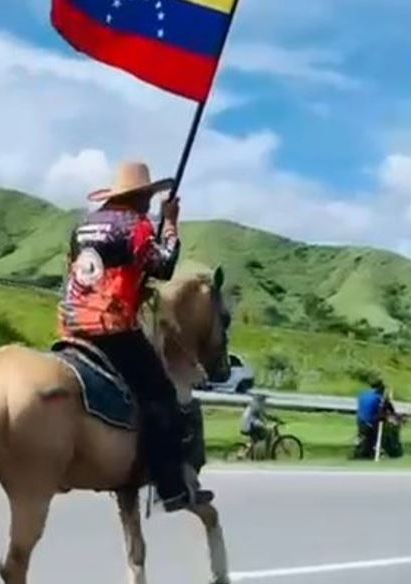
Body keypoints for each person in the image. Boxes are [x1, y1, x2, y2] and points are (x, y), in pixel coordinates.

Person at [58, 161, 213, 512]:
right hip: (110, 329)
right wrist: (170, 222)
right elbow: (165, 265)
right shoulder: (137, 226)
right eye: (148, 197)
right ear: (141, 197)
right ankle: (171, 487)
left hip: (71, 322)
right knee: (162, 397)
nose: (148, 203)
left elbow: (89, 273)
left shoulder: (83, 225)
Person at [353, 379, 387, 459]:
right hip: (370, 421)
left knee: (363, 435)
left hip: (360, 420)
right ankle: (377, 449)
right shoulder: (378, 397)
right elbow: (381, 411)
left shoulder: (363, 394)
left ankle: (361, 446)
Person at [239, 393, 278, 459]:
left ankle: (249, 453)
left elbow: (263, 417)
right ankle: (266, 454)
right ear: (260, 399)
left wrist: (271, 419)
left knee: (255, 439)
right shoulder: (257, 405)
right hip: (249, 425)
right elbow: (264, 415)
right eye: (264, 399)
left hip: (246, 424)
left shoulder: (253, 404)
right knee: (267, 433)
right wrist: (275, 419)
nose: (264, 400)